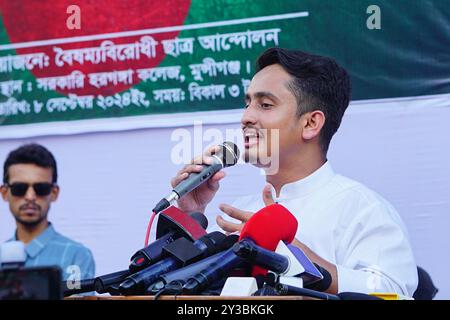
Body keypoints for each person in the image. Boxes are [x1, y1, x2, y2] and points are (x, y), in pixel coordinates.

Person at [170, 47, 418, 297]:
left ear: (310, 123)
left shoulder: (362, 209)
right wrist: (192, 215)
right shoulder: (240, 211)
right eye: (247, 104)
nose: (246, 117)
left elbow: (393, 292)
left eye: (265, 105)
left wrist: (290, 253)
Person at [0, 143, 95, 281]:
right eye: (19, 188)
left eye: (41, 188)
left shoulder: (76, 255)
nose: (30, 196)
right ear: (4, 193)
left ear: (54, 192)